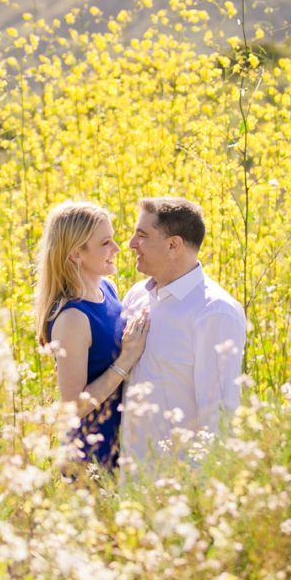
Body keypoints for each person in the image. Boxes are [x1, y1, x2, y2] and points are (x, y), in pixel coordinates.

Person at [121, 196, 246, 463]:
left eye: (142, 236)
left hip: (178, 486)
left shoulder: (214, 312)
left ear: (173, 244)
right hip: (129, 481)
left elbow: (220, 417)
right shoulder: (136, 296)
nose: (131, 244)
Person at [34, 200, 149, 471]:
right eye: (105, 242)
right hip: (91, 454)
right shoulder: (72, 319)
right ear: (76, 254)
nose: (117, 248)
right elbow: (73, 407)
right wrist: (126, 359)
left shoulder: (107, 289)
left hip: (124, 441)